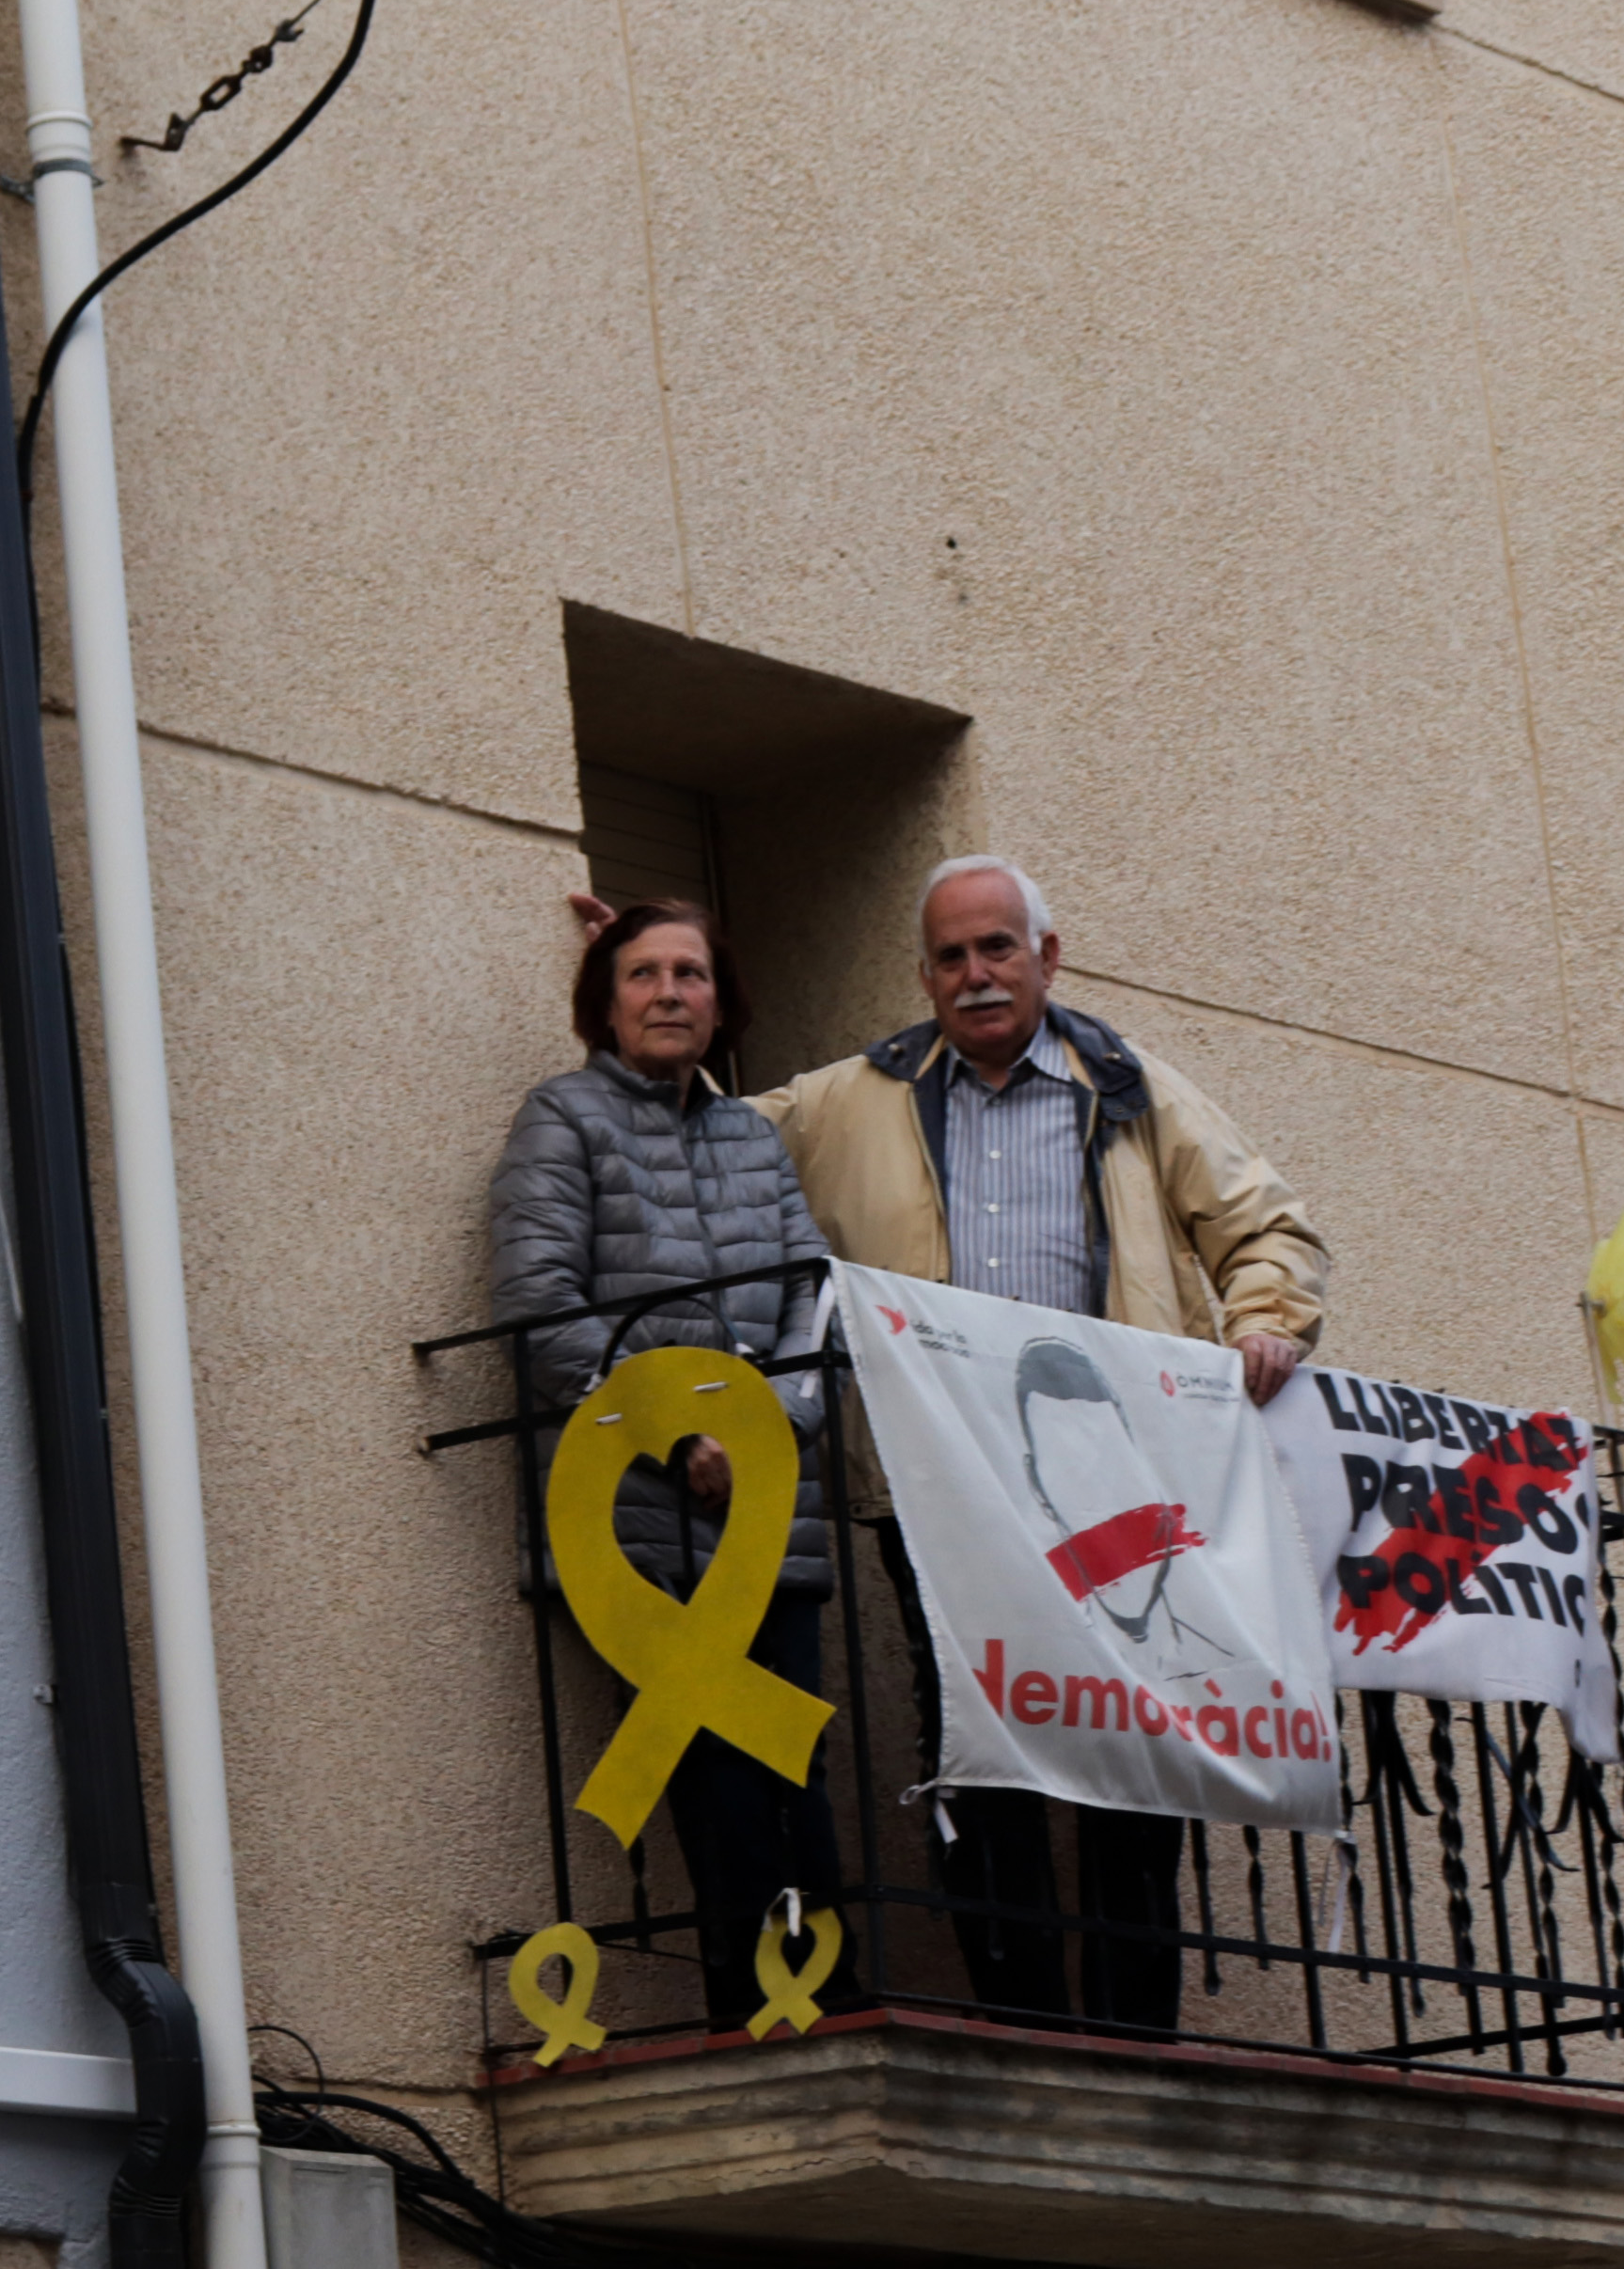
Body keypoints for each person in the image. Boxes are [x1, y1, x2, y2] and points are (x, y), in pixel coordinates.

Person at [744, 853, 1329, 2032]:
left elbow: (1265, 1224)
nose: (975, 975)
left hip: (1111, 1469)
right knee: (976, 1730)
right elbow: (703, 1141)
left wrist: (1263, 1320)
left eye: (997, 948)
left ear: (1047, 957)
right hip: (938, 1473)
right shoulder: (854, 1097)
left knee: (1132, 1731)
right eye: (952, 956)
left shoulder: (1130, 1090)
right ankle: (1018, 2016)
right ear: (924, 973)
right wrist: (640, 984)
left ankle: (1130, 2027)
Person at [485, 897, 863, 2037]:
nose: (668, 993)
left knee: (795, 1767)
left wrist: (773, 1430)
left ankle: (826, 2005)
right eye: (643, 972)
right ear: (605, 1002)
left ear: (720, 997)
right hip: (642, 1524)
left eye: (689, 973)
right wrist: (676, 1438)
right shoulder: (563, 1120)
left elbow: (813, 1298)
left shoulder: (751, 1135)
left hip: (767, 1516)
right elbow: (540, 1312)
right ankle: (758, 2015)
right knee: (717, 1782)